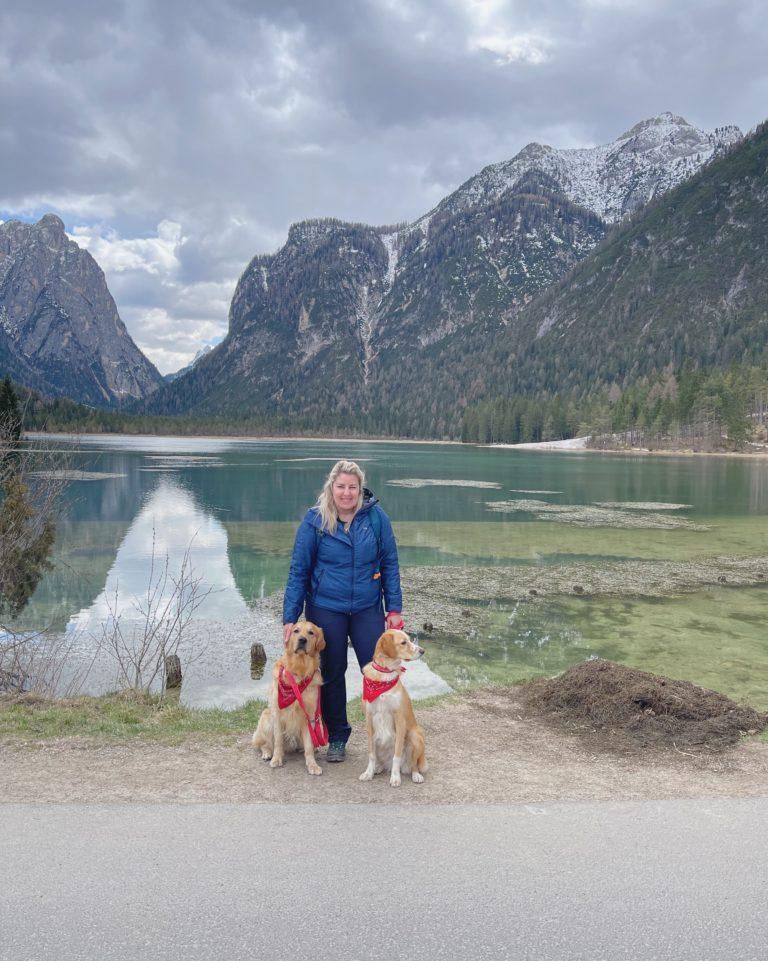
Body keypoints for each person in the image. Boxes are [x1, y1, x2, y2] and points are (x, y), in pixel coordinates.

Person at [282, 459, 403, 762]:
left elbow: (390, 564)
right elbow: (299, 570)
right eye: (341, 487)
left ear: (360, 489)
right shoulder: (315, 521)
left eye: (352, 487)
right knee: (333, 673)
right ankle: (338, 736)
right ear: (331, 488)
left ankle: (386, 734)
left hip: (367, 608)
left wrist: (394, 609)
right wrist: (290, 617)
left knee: (379, 669)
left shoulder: (377, 519)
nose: (347, 493)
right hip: (326, 609)